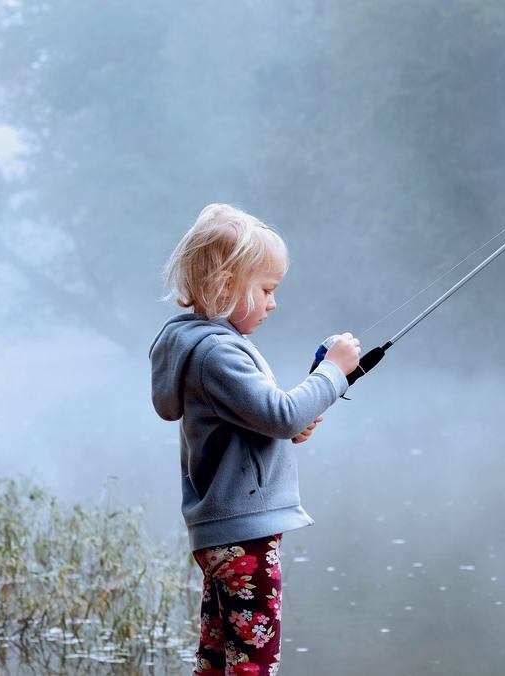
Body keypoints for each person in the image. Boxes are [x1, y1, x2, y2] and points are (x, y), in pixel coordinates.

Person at [149, 203, 360, 675]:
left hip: (223, 531)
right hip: (243, 532)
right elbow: (281, 413)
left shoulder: (200, 346)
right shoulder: (218, 352)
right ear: (226, 286)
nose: (273, 302)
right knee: (254, 661)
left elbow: (259, 420)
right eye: (266, 289)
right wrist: (333, 371)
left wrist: (285, 432)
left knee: (218, 654)